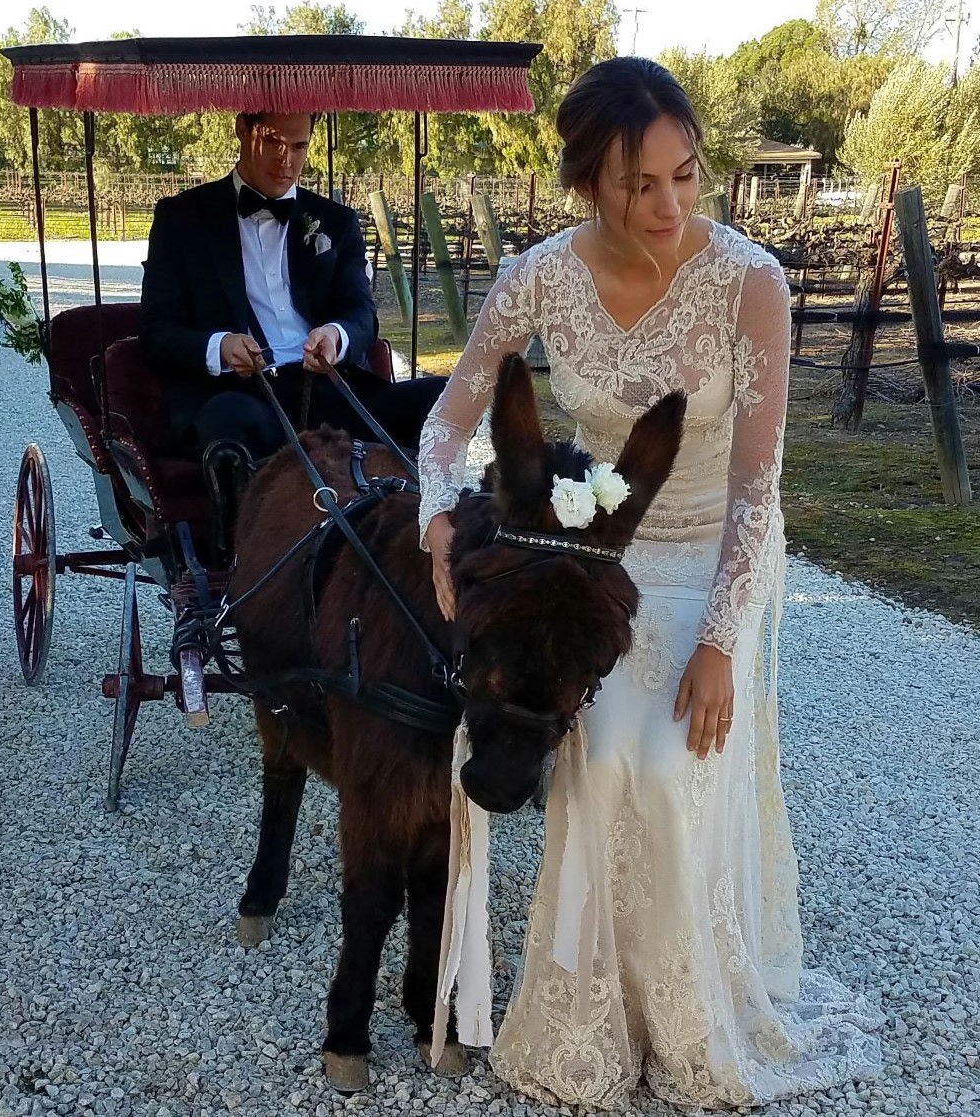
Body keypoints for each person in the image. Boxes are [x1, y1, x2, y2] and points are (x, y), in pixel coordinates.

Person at [419, 59, 882, 1109]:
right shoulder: (537, 274)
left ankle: (688, 1018)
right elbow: (449, 421)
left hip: (718, 542)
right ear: (589, 181)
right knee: (592, 751)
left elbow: (760, 489)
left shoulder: (751, 280)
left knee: (665, 759)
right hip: (596, 553)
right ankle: (587, 1025)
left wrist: (722, 638)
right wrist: (438, 522)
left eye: (684, 175)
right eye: (637, 184)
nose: (668, 206)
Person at [139, 110, 445, 525]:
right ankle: (239, 564)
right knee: (226, 419)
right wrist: (221, 347)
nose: (286, 160)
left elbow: (361, 314)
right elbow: (157, 330)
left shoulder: (335, 222)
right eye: (272, 142)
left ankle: (416, 534)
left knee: (445, 397)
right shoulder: (182, 219)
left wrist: (336, 337)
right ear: (242, 130)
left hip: (327, 389)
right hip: (241, 393)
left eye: (298, 146)